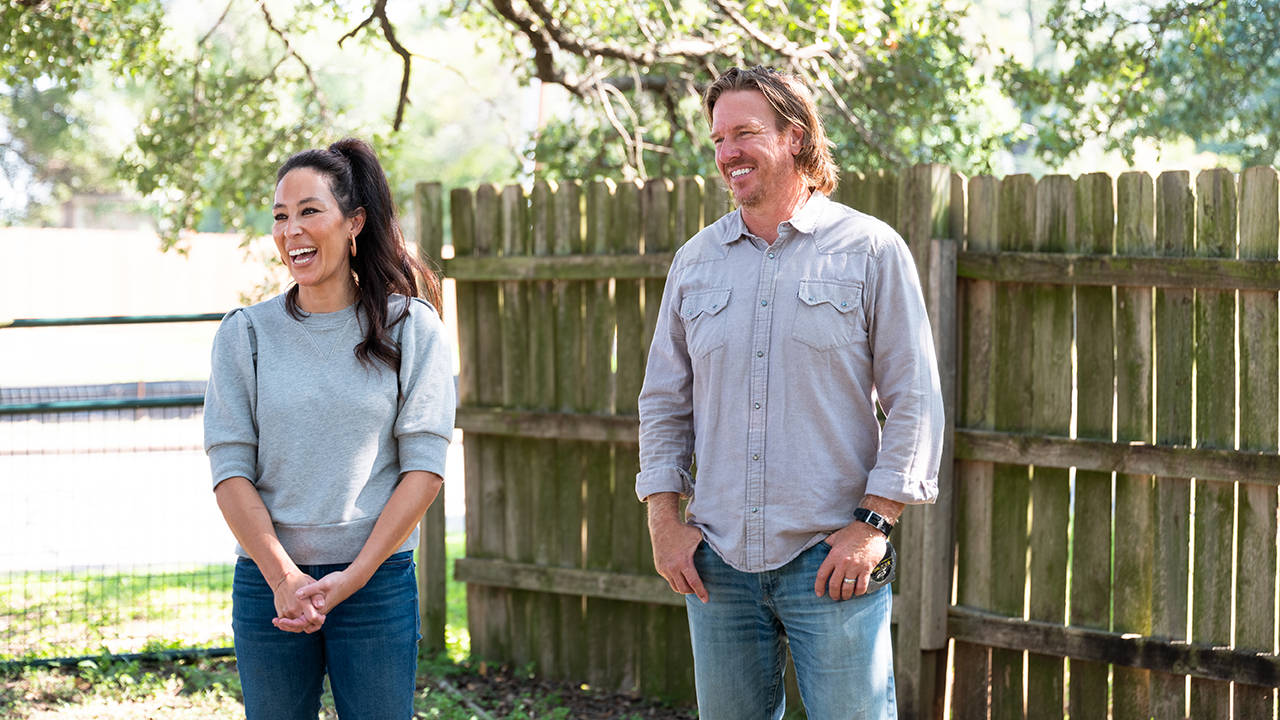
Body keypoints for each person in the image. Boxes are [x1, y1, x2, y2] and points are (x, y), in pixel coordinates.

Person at [636, 66, 944, 720]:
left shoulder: (869, 251)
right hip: (716, 565)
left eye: (744, 134)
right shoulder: (697, 262)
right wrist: (664, 519)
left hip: (833, 559)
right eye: (718, 140)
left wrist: (875, 524)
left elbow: (914, 397)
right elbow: (664, 403)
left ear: (795, 138)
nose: (727, 155)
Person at [203, 138, 455, 719]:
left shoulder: (412, 329)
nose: (292, 231)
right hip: (268, 585)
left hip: (378, 584)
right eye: (281, 216)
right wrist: (284, 576)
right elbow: (229, 468)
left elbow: (424, 466)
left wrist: (355, 575)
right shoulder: (244, 334)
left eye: (310, 211)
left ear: (354, 223)